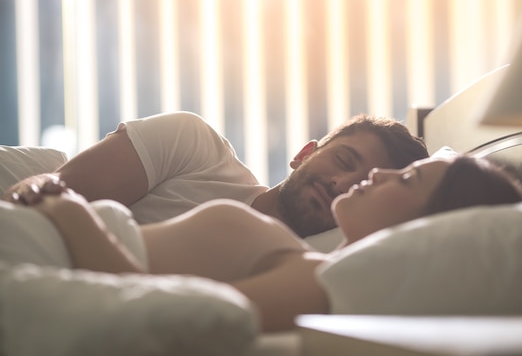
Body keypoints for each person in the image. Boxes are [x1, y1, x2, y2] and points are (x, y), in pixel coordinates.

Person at [19, 154, 522, 332]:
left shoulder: (314, 282)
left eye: (407, 180)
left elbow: (140, 309)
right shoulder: (310, 262)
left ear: (432, 227)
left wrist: (65, 209)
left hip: (45, 243)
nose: (380, 173)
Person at [3, 111, 429, 238]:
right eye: (342, 162)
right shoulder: (193, 145)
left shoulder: (305, 271)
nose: (340, 185)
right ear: (302, 154)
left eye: (361, 186)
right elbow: (45, 196)